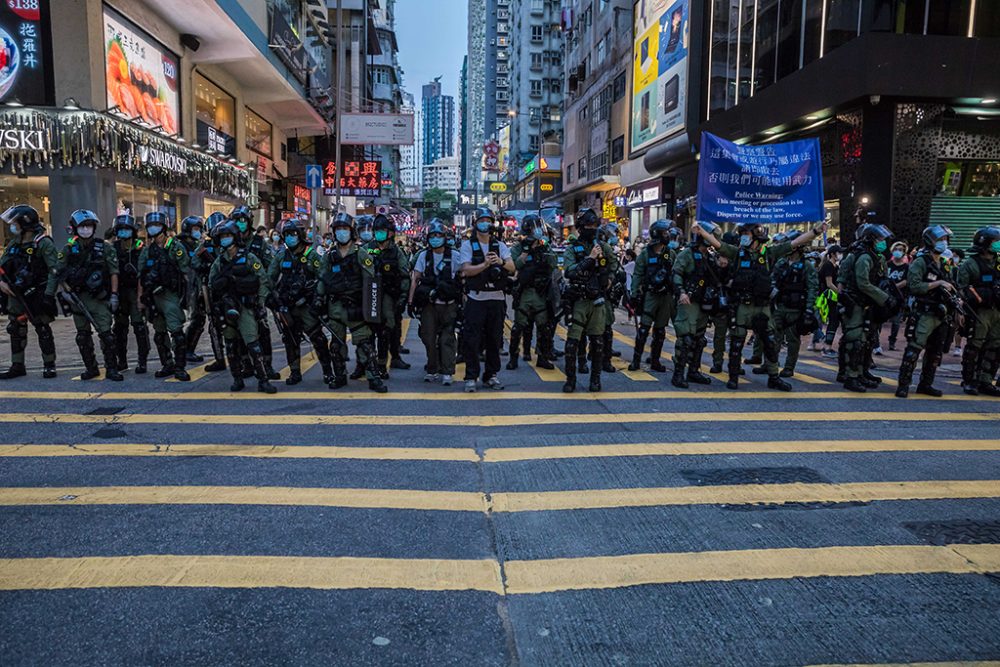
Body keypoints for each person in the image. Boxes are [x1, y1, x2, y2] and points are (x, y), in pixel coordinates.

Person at [694, 220, 826, 391]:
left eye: (746, 235)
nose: (743, 238)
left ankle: (774, 377)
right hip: (742, 306)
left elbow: (795, 242)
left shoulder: (769, 254)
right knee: (736, 344)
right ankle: (733, 377)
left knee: (770, 343)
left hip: (762, 307)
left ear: (756, 237)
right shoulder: (738, 254)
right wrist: (702, 233)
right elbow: (719, 245)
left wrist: (816, 231)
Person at [319, 213, 386, 393]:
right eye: (338, 229)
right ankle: (340, 376)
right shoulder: (329, 256)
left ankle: (374, 378)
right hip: (335, 308)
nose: (342, 233)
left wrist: (370, 309)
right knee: (335, 345)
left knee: (365, 344)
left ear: (352, 232)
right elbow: (322, 280)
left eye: (345, 229)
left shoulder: (360, 254)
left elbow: (370, 282)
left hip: (356, 306)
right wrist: (318, 300)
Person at [208, 220, 276, 394]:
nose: (225, 239)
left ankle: (263, 380)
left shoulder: (249, 257)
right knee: (230, 344)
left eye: (228, 236)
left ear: (235, 237)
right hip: (226, 306)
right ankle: (237, 379)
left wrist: (260, 302)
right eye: (222, 236)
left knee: (252, 342)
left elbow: (262, 279)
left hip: (245, 306)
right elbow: (210, 285)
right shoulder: (219, 261)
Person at [56, 210, 122, 381]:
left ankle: (112, 368)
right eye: (82, 226)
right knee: (83, 336)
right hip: (78, 299)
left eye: (89, 226)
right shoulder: (69, 249)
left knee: (107, 335)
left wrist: (114, 295)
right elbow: (58, 272)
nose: (86, 229)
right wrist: (65, 291)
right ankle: (91, 368)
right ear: (75, 228)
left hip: (99, 298)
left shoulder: (104, 247)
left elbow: (114, 272)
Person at [268, 218, 334, 386]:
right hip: (287, 306)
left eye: (293, 234)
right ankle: (295, 372)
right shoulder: (281, 255)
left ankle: (328, 372)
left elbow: (323, 277)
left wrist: (317, 297)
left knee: (318, 339)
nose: (290, 237)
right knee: (290, 339)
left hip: (306, 306)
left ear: (301, 235)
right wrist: (271, 298)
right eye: (287, 235)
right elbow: (269, 278)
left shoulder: (311, 254)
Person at [560, 208, 618, 393]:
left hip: (598, 300)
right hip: (579, 299)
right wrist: (590, 258)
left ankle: (595, 379)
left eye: (594, 225)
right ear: (580, 227)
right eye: (588, 225)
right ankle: (571, 379)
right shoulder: (572, 248)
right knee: (572, 342)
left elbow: (615, 264)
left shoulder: (603, 246)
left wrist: (609, 277)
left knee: (598, 342)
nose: (591, 229)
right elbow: (569, 271)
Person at [896, 225, 957, 398]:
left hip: (941, 313)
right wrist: (937, 284)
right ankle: (903, 385)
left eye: (945, 240)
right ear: (931, 241)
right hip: (925, 312)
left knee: (935, 352)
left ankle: (926, 384)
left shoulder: (944, 264)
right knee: (914, 349)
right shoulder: (920, 262)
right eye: (940, 240)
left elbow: (952, 285)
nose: (943, 243)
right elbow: (914, 286)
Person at [0, 205, 59, 379]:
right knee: (16, 329)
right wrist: (1, 283)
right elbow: (2, 265)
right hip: (15, 294)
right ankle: (17, 365)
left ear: (25, 224)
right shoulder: (14, 244)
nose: (13, 226)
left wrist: (49, 294)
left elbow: (54, 271)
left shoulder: (43, 243)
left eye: (15, 223)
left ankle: (49, 364)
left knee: (42, 329)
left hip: (36, 294)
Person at [459, 207, 514, 392]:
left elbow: (512, 268)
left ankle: (491, 375)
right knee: (472, 340)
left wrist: (500, 262)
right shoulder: (467, 245)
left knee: (494, 340)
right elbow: (466, 270)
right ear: (475, 224)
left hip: (497, 299)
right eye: (482, 220)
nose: (485, 224)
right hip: (476, 299)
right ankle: (471, 376)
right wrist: (485, 264)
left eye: (488, 221)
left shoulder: (500, 245)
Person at [137, 211, 190, 381]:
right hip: (153, 296)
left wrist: (186, 298)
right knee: (159, 333)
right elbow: (141, 275)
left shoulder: (175, 247)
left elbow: (186, 272)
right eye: (151, 226)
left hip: (170, 295)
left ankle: (180, 367)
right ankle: (167, 364)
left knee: (176, 331)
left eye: (157, 225)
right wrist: (141, 299)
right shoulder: (147, 251)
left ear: (164, 227)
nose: (154, 229)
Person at [408, 219, 463, 384]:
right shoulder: (424, 256)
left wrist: (464, 304)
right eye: (433, 236)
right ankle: (432, 369)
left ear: (445, 237)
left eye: (439, 235)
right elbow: (415, 279)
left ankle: (447, 371)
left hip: (449, 305)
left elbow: (463, 280)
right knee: (428, 338)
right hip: (429, 306)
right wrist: (410, 302)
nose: (436, 239)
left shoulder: (455, 256)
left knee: (447, 338)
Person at [672, 221, 724, 387]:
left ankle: (694, 371)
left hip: (703, 303)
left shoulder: (709, 256)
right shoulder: (686, 254)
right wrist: (681, 292)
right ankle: (678, 374)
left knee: (699, 339)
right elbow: (677, 273)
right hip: (688, 301)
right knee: (685, 339)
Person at [361, 213, 411, 378]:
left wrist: (403, 297)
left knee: (386, 331)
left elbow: (405, 275)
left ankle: (383, 365)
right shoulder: (366, 249)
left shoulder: (396, 252)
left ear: (390, 233)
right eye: (377, 230)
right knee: (366, 332)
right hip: (369, 295)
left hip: (389, 296)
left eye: (383, 230)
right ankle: (363, 364)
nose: (379, 233)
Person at [231, 205, 278, 380]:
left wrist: (264, 296)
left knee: (263, 331)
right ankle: (246, 365)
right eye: (237, 221)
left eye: (243, 221)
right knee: (237, 333)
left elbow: (270, 268)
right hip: (235, 295)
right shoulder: (229, 242)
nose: (240, 224)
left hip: (256, 294)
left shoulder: (259, 243)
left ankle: (267, 366)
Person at [507, 214, 558, 371]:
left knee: (544, 327)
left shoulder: (544, 245)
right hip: (525, 292)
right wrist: (527, 251)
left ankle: (542, 357)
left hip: (542, 292)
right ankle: (513, 358)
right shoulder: (519, 247)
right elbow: (514, 266)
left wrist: (542, 250)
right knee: (518, 327)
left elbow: (553, 263)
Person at [628, 219, 678, 372]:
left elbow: (676, 274)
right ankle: (636, 360)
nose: (668, 235)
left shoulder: (671, 253)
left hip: (666, 297)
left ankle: (655, 360)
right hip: (650, 295)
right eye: (665, 233)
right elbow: (637, 274)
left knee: (660, 330)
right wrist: (634, 294)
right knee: (644, 329)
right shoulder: (645, 254)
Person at [957, 226, 1000, 396]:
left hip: (997, 310)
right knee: (975, 345)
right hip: (980, 311)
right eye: (996, 241)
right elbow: (962, 288)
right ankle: (969, 380)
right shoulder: (970, 264)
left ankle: (986, 380)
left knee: (995, 347)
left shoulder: (998, 263)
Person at [770, 230, 819, 378]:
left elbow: (812, 288)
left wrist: (809, 309)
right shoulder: (781, 263)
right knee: (774, 337)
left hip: (796, 309)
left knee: (792, 339)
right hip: (779, 306)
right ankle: (771, 364)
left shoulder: (807, 266)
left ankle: (789, 367)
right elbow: (772, 281)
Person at [110, 214, 150, 374]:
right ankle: (122, 361)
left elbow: (144, 273)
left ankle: (142, 362)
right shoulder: (112, 248)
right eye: (121, 230)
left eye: (127, 229)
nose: (124, 232)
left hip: (135, 292)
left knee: (140, 327)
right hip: (119, 292)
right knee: (119, 328)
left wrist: (142, 297)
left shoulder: (141, 248)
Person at [177, 216, 208, 365]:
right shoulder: (180, 246)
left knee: (199, 319)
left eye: (199, 229)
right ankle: (184, 351)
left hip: (196, 287)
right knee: (195, 319)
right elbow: (186, 267)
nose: (198, 232)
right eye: (195, 229)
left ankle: (188, 350)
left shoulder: (196, 245)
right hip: (186, 289)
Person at [883, 241, 909, 352]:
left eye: (901, 250)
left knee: (896, 322)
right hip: (885, 296)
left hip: (899, 297)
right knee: (879, 319)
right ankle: (876, 344)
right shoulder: (887, 264)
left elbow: (907, 281)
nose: (898, 252)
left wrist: (895, 286)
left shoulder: (906, 267)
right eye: (896, 249)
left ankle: (892, 342)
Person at [818, 245, 842, 357]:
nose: (840, 255)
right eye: (839, 253)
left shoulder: (835, 266)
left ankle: (827, 345)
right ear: (833, 254)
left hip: (831, 297)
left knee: (833, 321)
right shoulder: (828, 266)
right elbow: (829, 284)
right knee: (832, 320)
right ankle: (827, 347)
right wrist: (840, 293)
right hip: (827, 297)